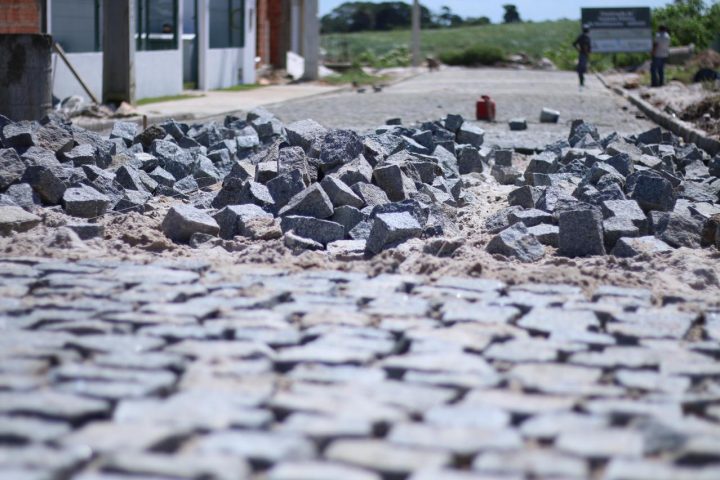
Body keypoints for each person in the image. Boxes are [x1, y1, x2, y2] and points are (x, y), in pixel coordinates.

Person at [573, 24, 592, 89]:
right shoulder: (586, 37)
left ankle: (581, 82)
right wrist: (587, 53)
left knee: (581, 69)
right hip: (584, 54)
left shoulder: (580, 36)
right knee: (582, 69)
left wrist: (578, 50)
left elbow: (574, 44)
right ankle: (582, 83)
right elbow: (585, 46)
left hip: (581, 54)